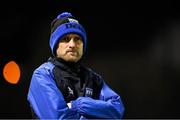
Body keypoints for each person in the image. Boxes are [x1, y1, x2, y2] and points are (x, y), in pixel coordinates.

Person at [27, 11, 125, 119]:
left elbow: (116, 109)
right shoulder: (43, 74)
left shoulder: (93, 78)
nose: (72, 45)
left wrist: (78, 105)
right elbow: (59, 117)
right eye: (65, 39)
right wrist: (98, 112)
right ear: (55, 45)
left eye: (77, 39)